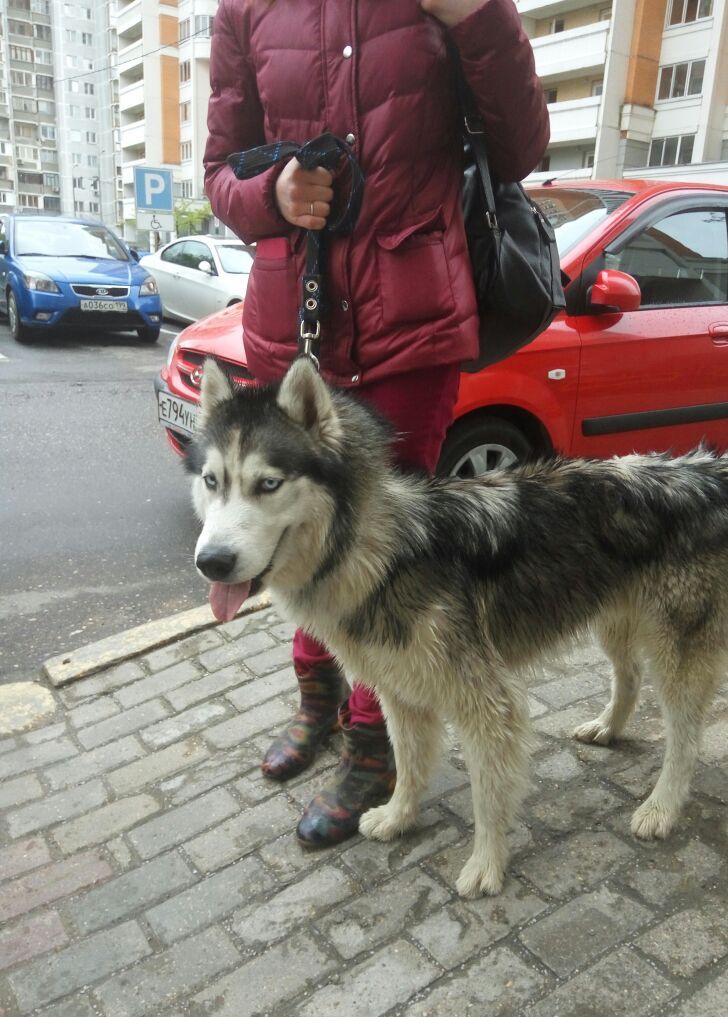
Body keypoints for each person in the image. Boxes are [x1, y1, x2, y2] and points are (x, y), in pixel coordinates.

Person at [203, 0, 549, 848]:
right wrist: (271, 194)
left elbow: (521, 150)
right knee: (292, 533)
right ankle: (317, 702)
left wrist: (474, 18)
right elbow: (218, 175)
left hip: (413, 325)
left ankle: (373, 745)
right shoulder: (247, 8)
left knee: (390, 556)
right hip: (294, 324)